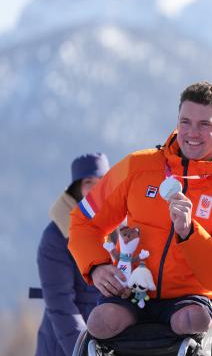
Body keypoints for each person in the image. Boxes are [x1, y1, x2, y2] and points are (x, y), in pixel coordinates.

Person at [68, 81, 212, 340]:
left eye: (205, 125)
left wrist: (189, 232)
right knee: (100, 323)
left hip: (191, 298)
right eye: (185, 122)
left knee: (191, 321)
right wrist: (96, 267)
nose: (192, 133)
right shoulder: (137, 166)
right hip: (134, 289)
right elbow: (83, 222)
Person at [35, 152, 110, 356]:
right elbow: (60, 303)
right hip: (65, 342)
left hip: (111, 335)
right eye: (89, 182)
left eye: (102, 181)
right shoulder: (56, 235)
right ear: (77, 189)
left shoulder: (121, 229)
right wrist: (83, 350)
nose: (96, 189)